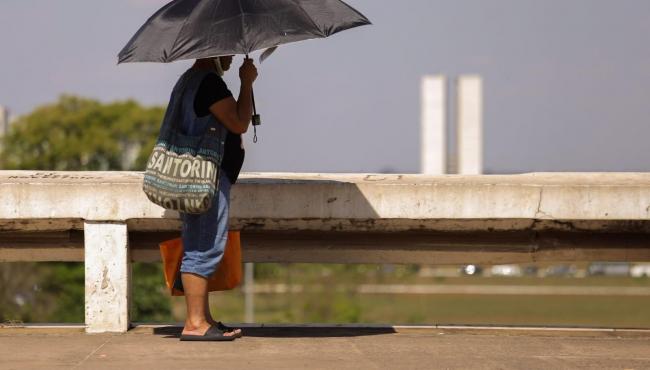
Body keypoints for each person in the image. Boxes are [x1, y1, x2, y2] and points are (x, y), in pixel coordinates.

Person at [174, 55, 258, 341]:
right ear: (215, 49)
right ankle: (195, 322)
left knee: (199, 242)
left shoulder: (189, 79)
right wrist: (247, 83)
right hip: (207, 176)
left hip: (194, 176)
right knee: (203, 246)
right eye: (229, 50)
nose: (233, 56)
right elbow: (238, 122)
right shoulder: (209, 82)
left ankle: (203, 318)